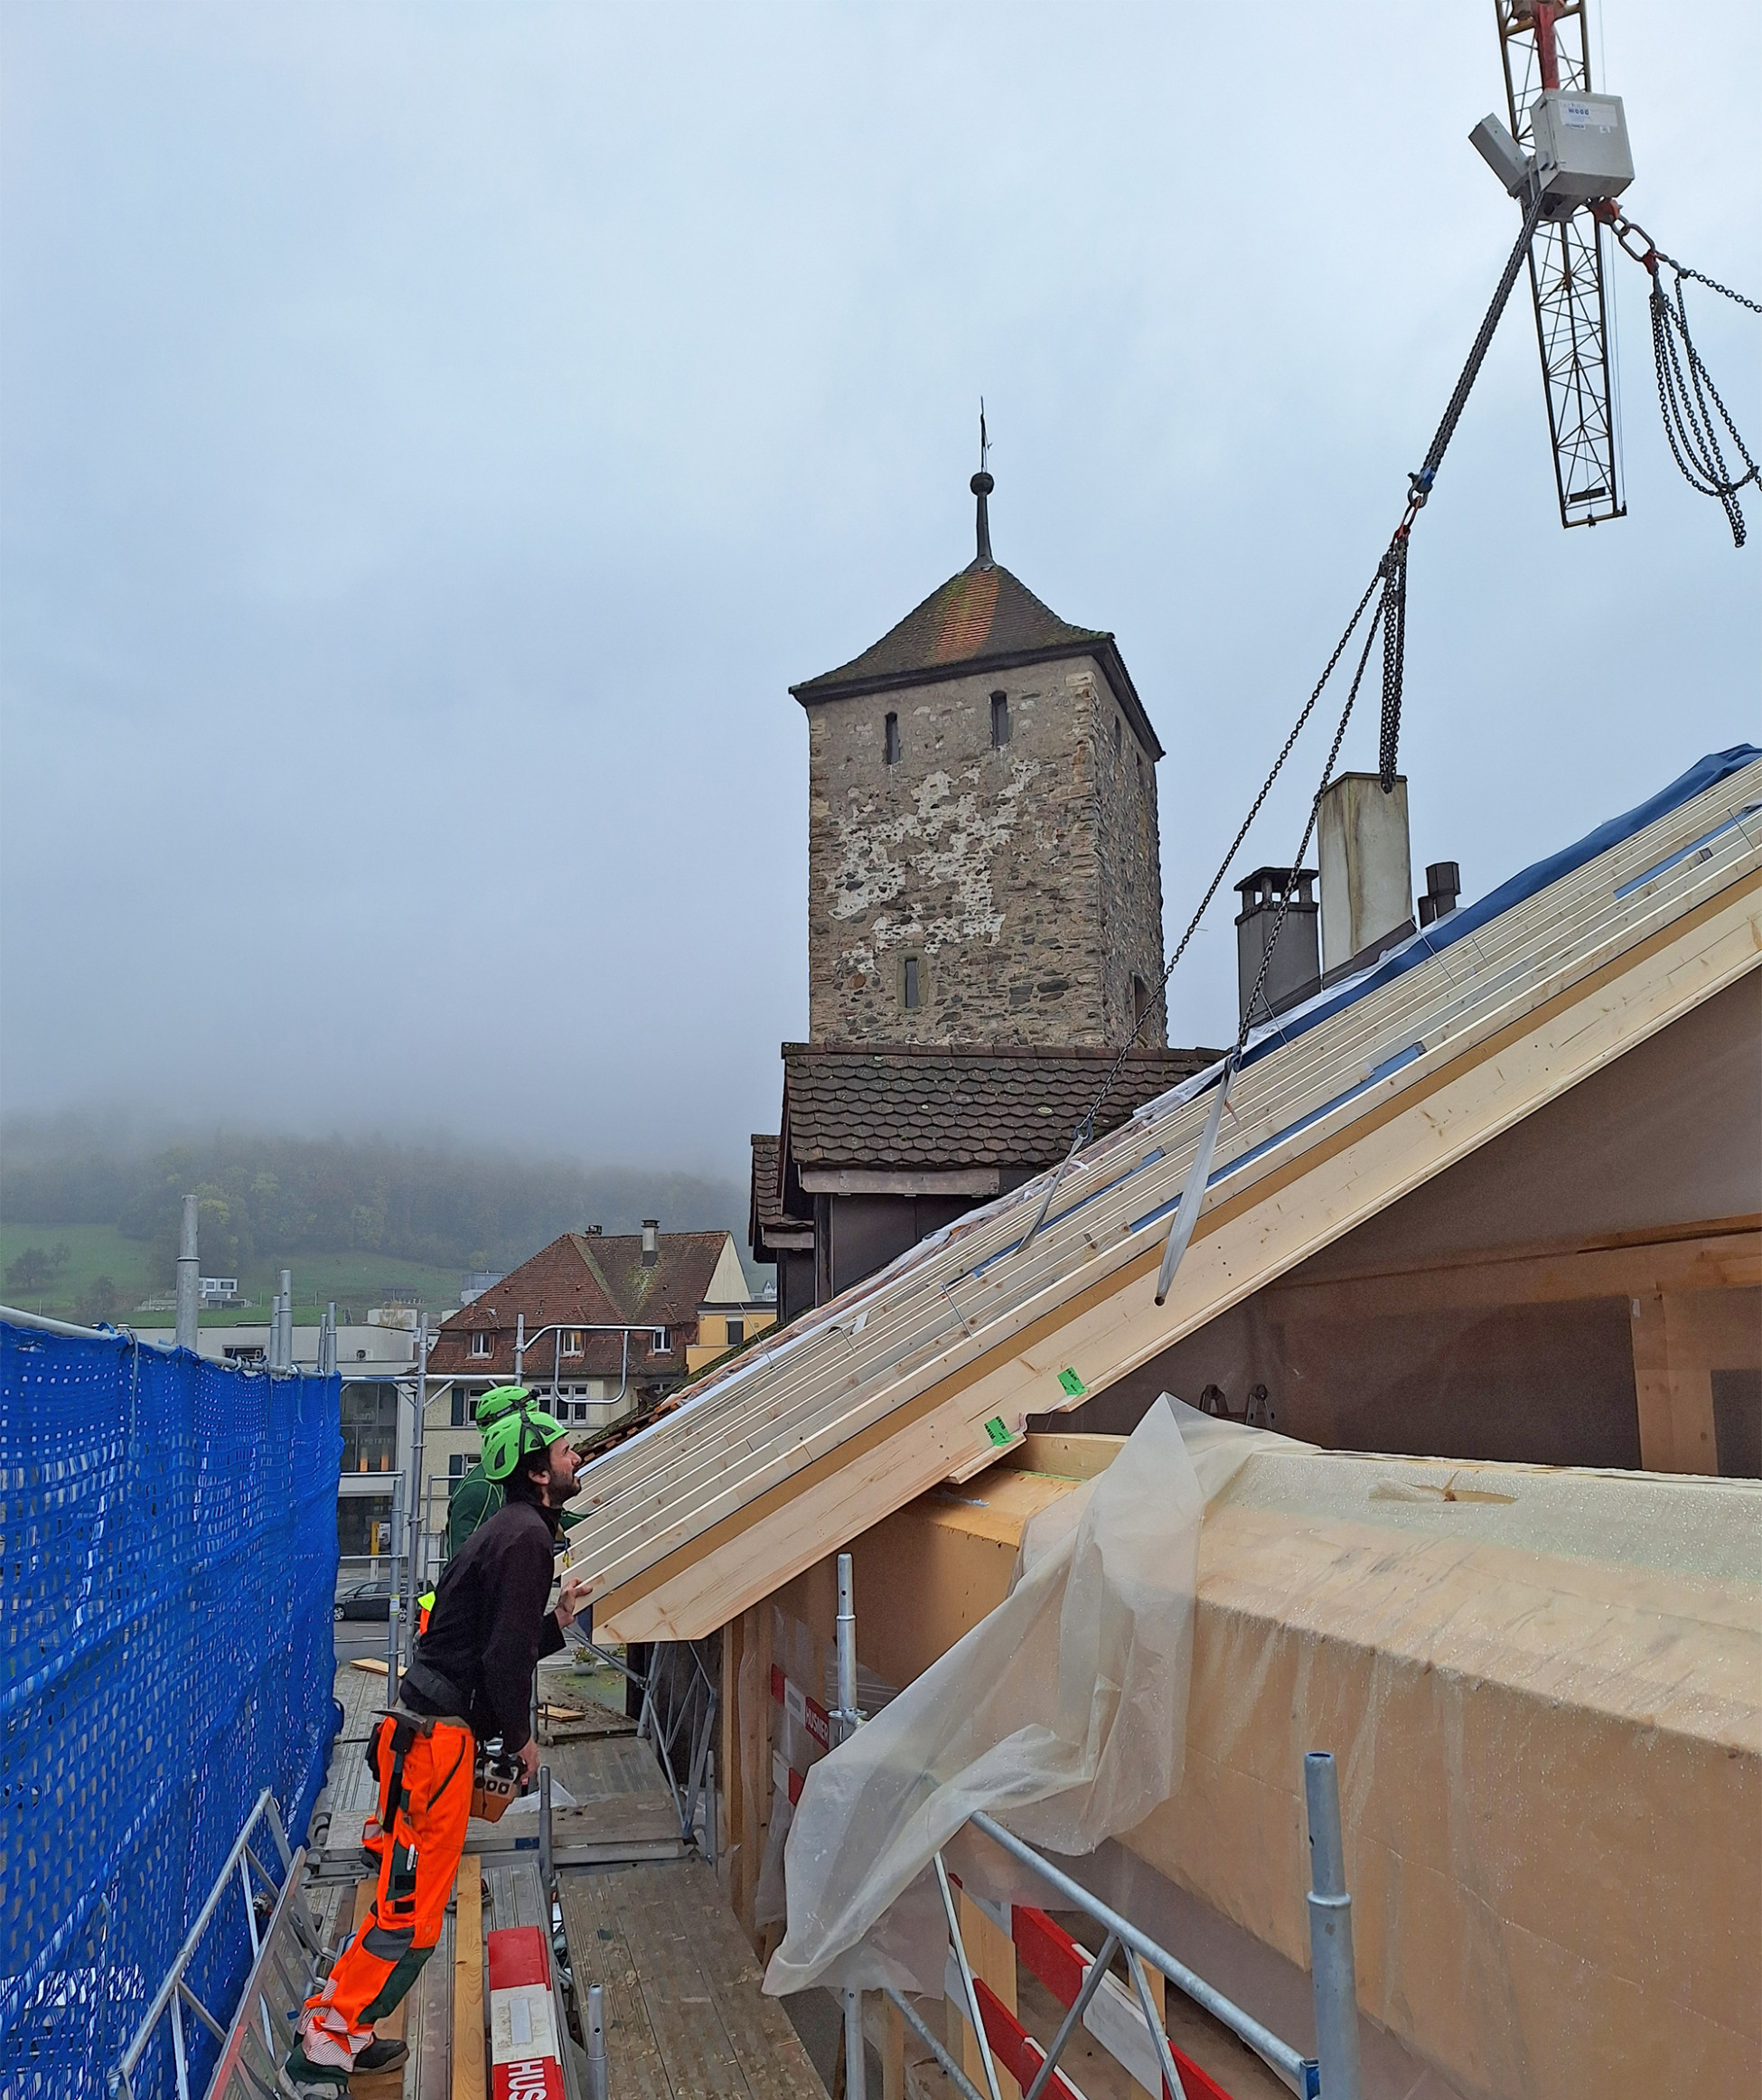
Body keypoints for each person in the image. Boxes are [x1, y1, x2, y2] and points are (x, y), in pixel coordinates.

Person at [281, 1390, 585, 2095]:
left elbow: (484, 1646)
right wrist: (521, 1740)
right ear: (539, 1472)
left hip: (416, 1734)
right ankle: (326, 2043)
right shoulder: (528, 1541)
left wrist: (558, 1623)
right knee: (412, 1912)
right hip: (432, 1748)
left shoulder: (509, 1531)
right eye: (566, 1450)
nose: (577, 1457)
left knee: (400, 1894)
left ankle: (341, 2028)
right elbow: (502, 1660)